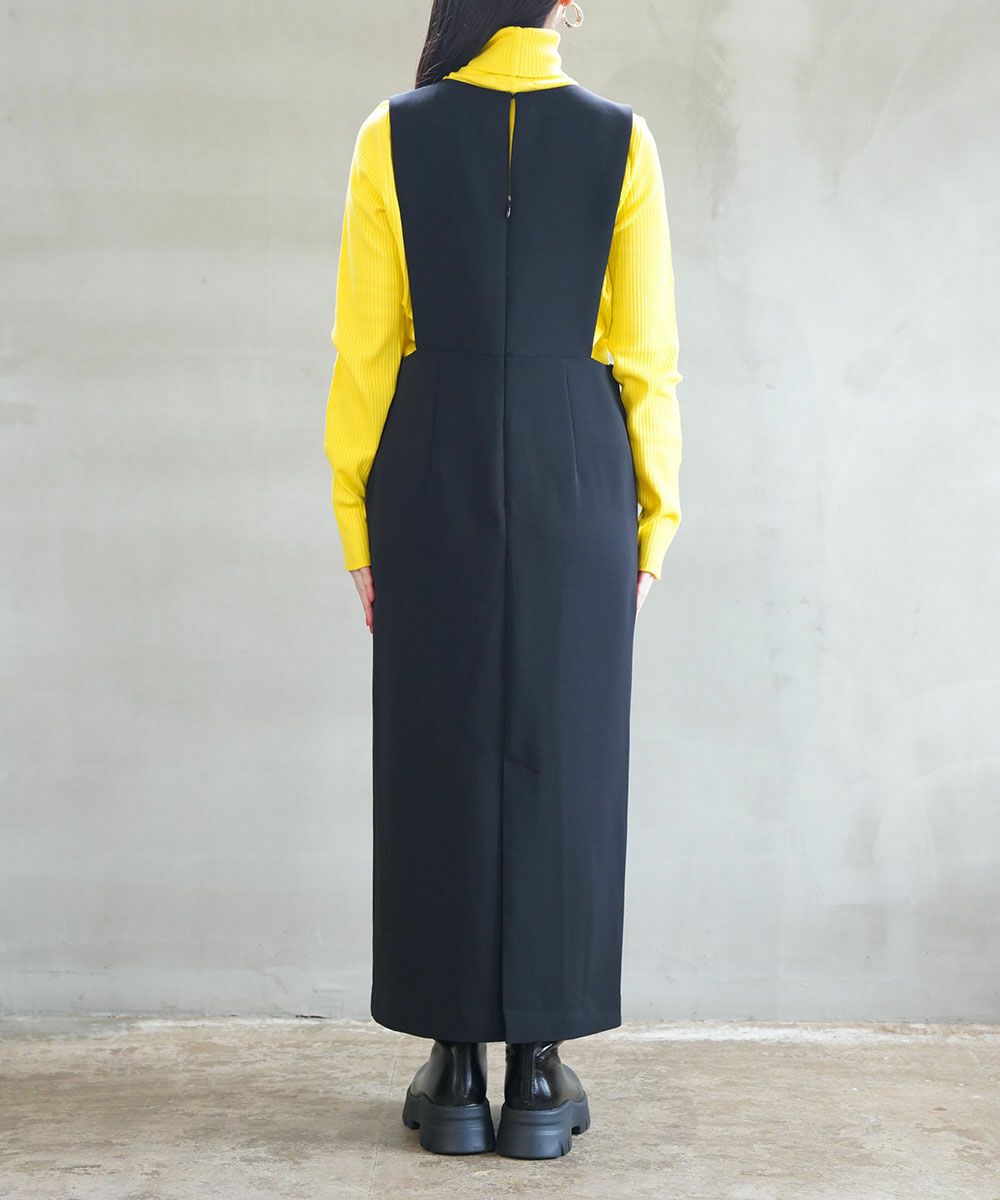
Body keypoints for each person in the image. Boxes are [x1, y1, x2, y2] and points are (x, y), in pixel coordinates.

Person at [323, 0, 682, 1160]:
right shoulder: (623, 139)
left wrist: (355, 521)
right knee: (565, 754)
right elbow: (646, 358)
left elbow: (365, 351)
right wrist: (654, 518)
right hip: (579, 466)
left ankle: (452, 1070)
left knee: (436, 748)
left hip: (432, 457)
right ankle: (537, 1070)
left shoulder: (392, 133)